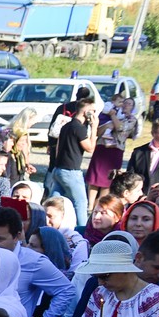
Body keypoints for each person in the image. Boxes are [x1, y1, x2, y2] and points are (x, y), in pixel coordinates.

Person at [45, 96, 92, 227]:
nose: (94, 114)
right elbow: (90, 148)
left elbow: (59, 146)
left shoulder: (66, 125)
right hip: (71, 171)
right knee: (81, 202)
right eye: (92, 111)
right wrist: (94, 127)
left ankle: (46, 225)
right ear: (86, 112)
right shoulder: (80, 128)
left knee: (54, 202)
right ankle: (83, 231)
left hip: (58, 169)